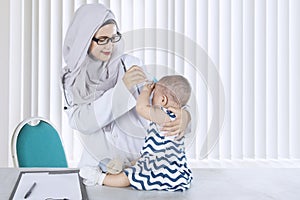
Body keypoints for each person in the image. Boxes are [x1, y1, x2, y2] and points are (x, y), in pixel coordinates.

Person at [61, 3, 191, 168]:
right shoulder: (71, 80)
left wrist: (185, 117)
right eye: (102, 39)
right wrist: (123, 89)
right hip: (100, 170)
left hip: (139, 167)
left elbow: (167, 96)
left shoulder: (130, 65)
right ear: (83, 40)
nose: (110, 46)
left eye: (113, 38)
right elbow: (82, 123)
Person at [80, 75, 193, 191]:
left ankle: (99, 178)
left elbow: (141, 107)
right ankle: (130, 166)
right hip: (172, 165)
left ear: (163, 100)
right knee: (138, 165)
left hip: (158, 168)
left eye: (154, 95)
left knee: (127, 178)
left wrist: (146, 91)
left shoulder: (163, 115)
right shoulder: (176, 117)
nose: (151, 98)